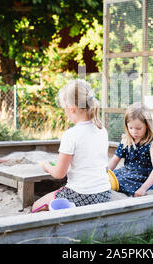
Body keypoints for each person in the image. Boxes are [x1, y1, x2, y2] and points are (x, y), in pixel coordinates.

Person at [31, 79, 111, 212]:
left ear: (71, 109)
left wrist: (46, 166)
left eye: (64, 109)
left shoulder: (71, 134)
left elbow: (58, 174)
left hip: (81, 194)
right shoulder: (102, 129)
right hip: (104, 193)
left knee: (35, 207)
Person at [108, 102, 153, 197]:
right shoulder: (126, 140)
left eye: (138, 128)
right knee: (110, 177)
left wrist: (143, 189)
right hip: (126, 171)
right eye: (131, 128)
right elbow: (115, 160)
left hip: (144, 176)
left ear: (147, 125)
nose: (134, 132)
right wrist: (105, 173)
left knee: (120, 182)